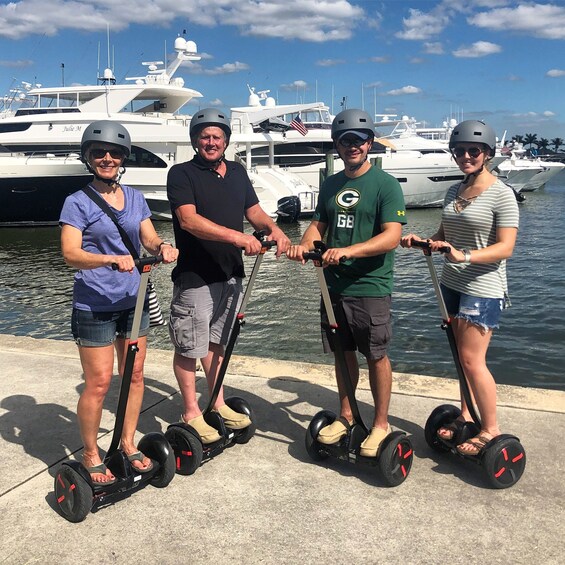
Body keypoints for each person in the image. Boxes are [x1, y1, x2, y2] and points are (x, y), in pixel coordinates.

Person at [59, 120, 179, 485]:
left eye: (114, 153)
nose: (107, 158)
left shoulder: (136, 197)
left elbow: (149, 238)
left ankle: (127, 443)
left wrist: (162, 247)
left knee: (135, 374)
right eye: (99, 153)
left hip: (134, 299)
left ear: (123, 158)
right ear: (88, 157)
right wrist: (108, 260)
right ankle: (91, 452)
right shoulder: (77, 202)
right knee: (98, 383)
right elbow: (70, 253)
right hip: (94, 304)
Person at [287, 109, 407, 457]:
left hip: (370, 286)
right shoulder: (331, 184)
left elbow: (392, 237)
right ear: (337, 146)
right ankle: (347, 414)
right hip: (332, 286)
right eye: (345, 141)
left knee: (376, 355)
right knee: (342, 353)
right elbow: (317, 228)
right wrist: (305, 246)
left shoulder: (385, 185)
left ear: (369, 143)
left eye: (358, 140)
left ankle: (381, 424)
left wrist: (349, 251)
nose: (351, 146)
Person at [167, 108, 290, 443]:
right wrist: (239, 238)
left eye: (217, 136)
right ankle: (190, 411)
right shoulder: (181, 174)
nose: (211, 142)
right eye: (205, 136)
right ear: (195, 140)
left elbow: (253, 212)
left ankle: (217, 403)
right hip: (196, 276)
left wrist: (274, 230)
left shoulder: (236, 172)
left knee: (217, 343)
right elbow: (189, 221)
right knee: (189, 346)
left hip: (231, 274)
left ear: (226, 141)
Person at [401, 119, 519, 456]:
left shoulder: (502, 194)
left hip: (484, 285)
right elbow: (445, 234)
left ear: (487, 154)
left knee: (472, 359)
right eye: (459, 150)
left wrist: (464, 256)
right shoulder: (454, 191)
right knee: (460, 358)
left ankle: (491, 428)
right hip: (451, 283)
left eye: (473, 150)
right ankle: (466, 415)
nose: (465, 155)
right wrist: (426, 242)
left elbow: (505, 247)